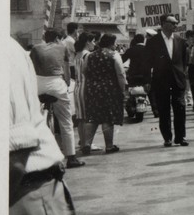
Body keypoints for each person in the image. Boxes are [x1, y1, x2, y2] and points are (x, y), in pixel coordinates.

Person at [8, 37, 81, 215]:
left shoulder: (30, 48)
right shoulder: (62, 47)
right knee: (67, 120)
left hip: (21, 184)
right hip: (57, 87)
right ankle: (70, 152)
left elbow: (15, 151)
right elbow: (67, 69)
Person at [29, 28, 83, 168]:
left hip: (38, 84)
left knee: (36, 119)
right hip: (55, 84)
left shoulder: (35, 48)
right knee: (66, 122)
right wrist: (65, 84)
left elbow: (31, 69)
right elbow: (66, 72)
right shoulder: (62, 47)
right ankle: (71, 158)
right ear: (58, 38)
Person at [144, 14, 190, 147]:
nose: (176, 25)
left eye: (176, 23)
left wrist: (182, 75)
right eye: (173, 23)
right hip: (161, 80)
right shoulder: (153, 42)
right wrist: (147, 80)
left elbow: (184, 61)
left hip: (177, 80)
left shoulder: (180, 41)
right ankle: (167, 138)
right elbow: (147, 63)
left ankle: (180, 137)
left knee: (180, 108)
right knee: (164, 110)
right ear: (163, 23)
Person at [82, 33, 126, 154]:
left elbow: (84, 71)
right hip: (109, 90)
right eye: (115, 43)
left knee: (92, 117)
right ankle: (109, 146)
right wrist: (122, 89)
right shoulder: (114, 55)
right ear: (111, 43)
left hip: (92, 90)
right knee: (108, 118)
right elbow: (120, 74)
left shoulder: (89, 56)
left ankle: (86, 144)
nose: (116, 45)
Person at [72, 32, 95, 156]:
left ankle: (83, 143)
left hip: (77, 88)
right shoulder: (88, 55)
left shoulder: (77, 54)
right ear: (87, 42)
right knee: (87, 117)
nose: (94, 44)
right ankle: (87, 143)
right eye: (93, 41)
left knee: (81, 117)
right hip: (86, 88)